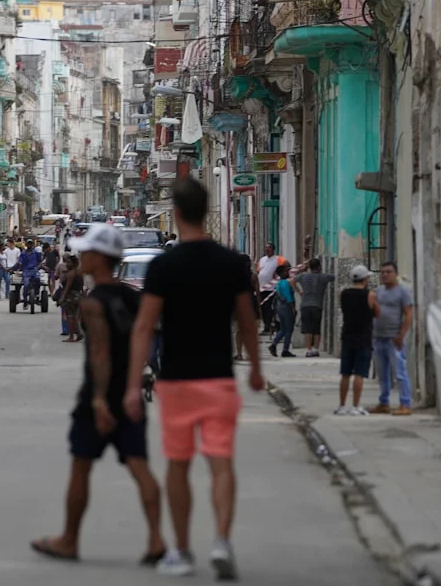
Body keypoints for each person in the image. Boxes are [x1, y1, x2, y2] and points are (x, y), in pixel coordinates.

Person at [126, 177, 264, 580]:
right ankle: (221, 541)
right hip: (219, 379)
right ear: (206, 211)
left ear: (176, 214)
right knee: (221, 462)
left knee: (178, 464)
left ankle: (183, 551)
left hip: (176, 381)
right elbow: (247, 321)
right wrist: (256, 368)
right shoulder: (231, 263)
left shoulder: (163, 267)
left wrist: (133, 384)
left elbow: (144, 326)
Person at [31, 223, 167, 565]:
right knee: (139, 466)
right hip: (130, 392)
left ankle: (69, 540)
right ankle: (156, 539)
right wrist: (138, 381)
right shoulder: (133, 297)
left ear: (100, 258)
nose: (82, 257)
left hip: (100, 396)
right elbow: (149, 335)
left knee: (81, 467)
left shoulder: (93, 303)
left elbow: (101, 353)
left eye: (87, 252)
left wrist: (98, 400)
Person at [370, 261, 415, 416]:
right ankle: (384, 402)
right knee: (383, 374)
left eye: (388, 272)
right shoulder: (379, 291)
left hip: (394, 339)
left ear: (395, 274)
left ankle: (405, 403)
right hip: (379, 338)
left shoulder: (402, 292)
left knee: (400, 373)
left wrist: (401, 335)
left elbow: (408, 314)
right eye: (382, 272)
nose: (385, 275)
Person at [335, 265, 379, 415]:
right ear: (365, 279)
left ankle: (342, 406)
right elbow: (377, 312)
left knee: (345, 373)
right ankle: (355, 406)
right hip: (363, 338)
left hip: (347, 336)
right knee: (359, 374)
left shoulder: (343, 294)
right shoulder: (370, 295)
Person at [295, 258, 335, 358]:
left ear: (310, 267)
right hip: (317, 306)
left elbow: (291, 281)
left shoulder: (303, 276)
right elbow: (334, 277)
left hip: (305, 305)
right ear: (319, 266)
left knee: (308, 329)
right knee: (316, 329)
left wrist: (299, 291)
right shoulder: (324, 277)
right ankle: (315, 349)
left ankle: (308, 350)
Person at [233, 256, 260, 363]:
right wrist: (259, 307)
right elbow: (258, 293)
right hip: (251, 303)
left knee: (239, 330)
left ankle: (239, 353)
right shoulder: (253, 277)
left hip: (238, 304)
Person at [256, 243, 287, 335]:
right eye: (266, 248)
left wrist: (278, 274)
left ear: (273, 249)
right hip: (262, 288)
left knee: (271, 308)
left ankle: (272, 327)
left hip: (272, 289)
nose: (267, 250)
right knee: (263, 308)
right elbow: (259, 271)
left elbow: (287, 266)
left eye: (269, 248)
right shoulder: (262, 259)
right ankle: (266, 326)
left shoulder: (278, 259)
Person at [268, 263, 297, 358]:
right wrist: (293, 308)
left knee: (283, 329)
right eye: (286, 271)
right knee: (289, 329)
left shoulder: (279, 283)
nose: (288, 272)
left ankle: (274, 344)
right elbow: (288, 297)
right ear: (282, 273)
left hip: (280, 307)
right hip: (287, 307)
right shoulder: (285, 283)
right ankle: (285, 350)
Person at [58, 255, 84, 343]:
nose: (67, 264)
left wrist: (62, 297)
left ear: (73, 263)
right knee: (76, 316)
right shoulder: (79, 272)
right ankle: (79, 333)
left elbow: (67, 287)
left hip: (71, 296)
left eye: (69, 262)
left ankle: (71, 336)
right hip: (78, 295)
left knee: (70, 316)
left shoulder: (71, 273)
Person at [16, 239, 41, 308]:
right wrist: (19, 264)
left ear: (32, 245)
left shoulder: (36, 253)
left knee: (38, 279)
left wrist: (38, 267)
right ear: (26, 245)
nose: (29, 245)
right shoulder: (23, 253)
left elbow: (39, 261)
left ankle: (37, 294)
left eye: (31, 244)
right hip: (26, 271)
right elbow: (20, 261)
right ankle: (25, 299)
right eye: (28, 243)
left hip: (34, 270)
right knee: (26, 284)